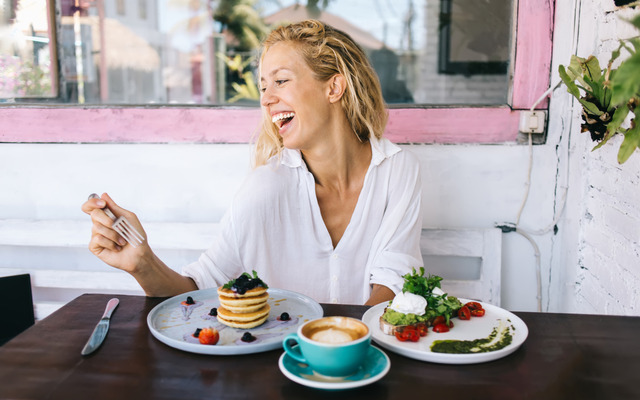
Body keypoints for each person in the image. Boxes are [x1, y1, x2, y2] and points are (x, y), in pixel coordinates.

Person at [82, 20, 423, 306]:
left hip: (365, 360)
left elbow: (394, 280)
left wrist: (341, 345)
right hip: (281, 367)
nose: (265, 98)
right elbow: (199, 289)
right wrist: (143, 264)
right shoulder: (266, 186)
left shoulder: (396, 170)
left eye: (280, 80)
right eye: (263, 86)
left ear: (333, 87)